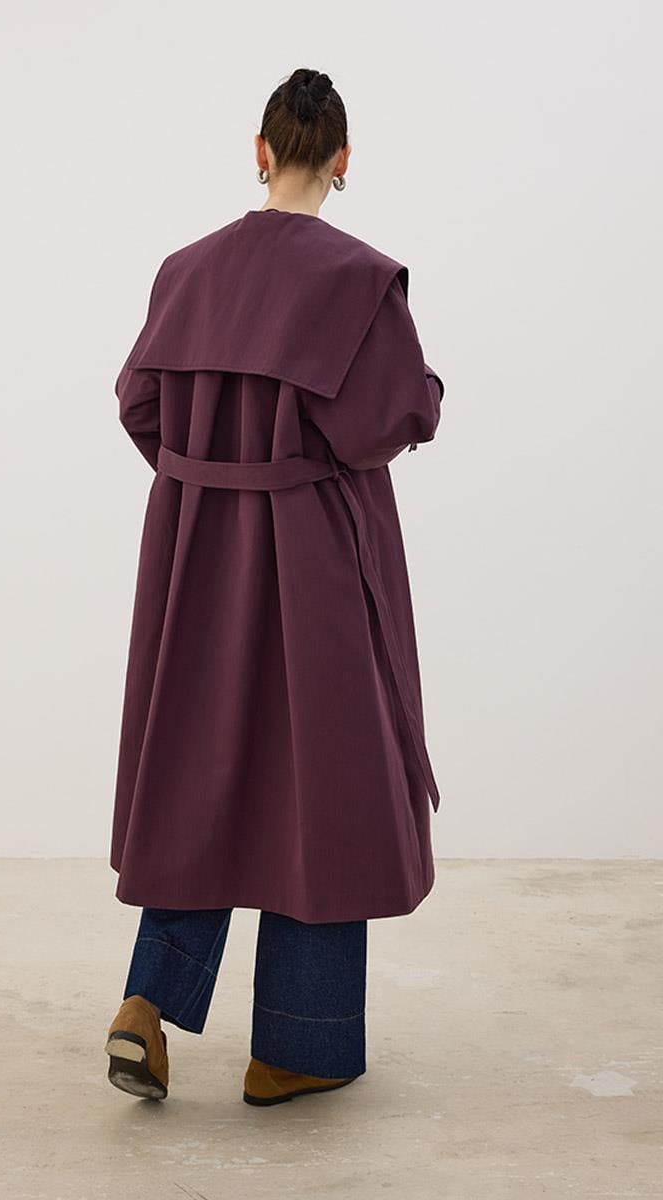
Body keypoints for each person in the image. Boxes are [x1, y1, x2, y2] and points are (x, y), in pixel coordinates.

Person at [104, 66, 445, 1106]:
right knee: (319, 788)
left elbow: (140, 407)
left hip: (198, 562)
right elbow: (387, 419)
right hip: (312, 564)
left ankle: (146, 1004)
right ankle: (294, 1045)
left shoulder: (185, 272)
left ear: (259, 153)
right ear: (342, 160)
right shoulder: (358, 281)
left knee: (200, 769)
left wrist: (211, 477)